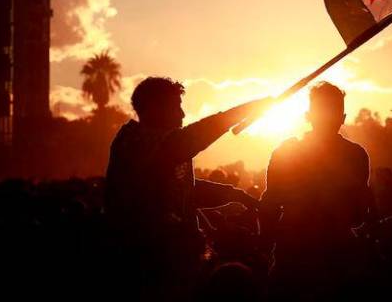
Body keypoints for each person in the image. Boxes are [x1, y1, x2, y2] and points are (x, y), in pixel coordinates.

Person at [104, 76, 271, 290]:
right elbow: (195, 136)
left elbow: (182, 191)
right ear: (155, 109)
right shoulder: (136, 143)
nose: (182, 115)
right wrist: (248, 109)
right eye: (176, 107)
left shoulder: (151, 144)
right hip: (148, 262)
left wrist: (235, 195)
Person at [259, 82, 376, 298]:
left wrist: (267, 243)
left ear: (308, 116)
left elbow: (269, 205)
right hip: (326, 258)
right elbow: (360, 214)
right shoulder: (355, 155)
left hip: (302, 256)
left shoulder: (287, 151)